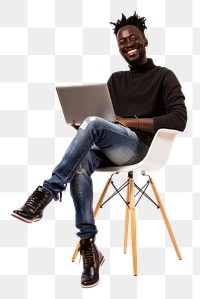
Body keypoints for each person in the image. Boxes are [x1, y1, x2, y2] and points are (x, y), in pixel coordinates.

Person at [12, 12, 187, 288]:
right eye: (122, 41)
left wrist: (131, 122)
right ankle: (89, 248)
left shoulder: (164, 77)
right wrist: (82, 127)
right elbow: (104, 120)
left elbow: (179, 119)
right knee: (80, 165)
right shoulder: (116, 80)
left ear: (145, 40)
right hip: (109, 145)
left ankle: (47, 191)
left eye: (133, 38)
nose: (128, 43)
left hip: (140, 148)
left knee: (94, 124)